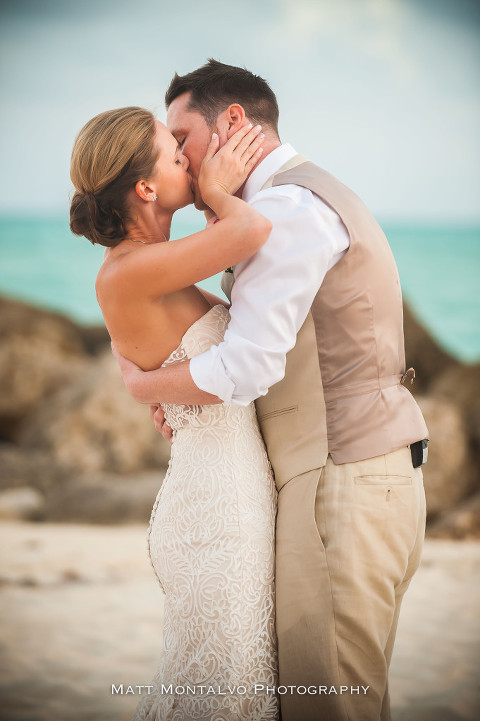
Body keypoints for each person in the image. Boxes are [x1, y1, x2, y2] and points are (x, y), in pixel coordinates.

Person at [115, 60, 429, 721]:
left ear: (232, 122)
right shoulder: (292, 197)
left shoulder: (283, 207)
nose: (181, 157)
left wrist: (149, 383)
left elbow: (245, 367)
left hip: (342, 479)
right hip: (351, 474)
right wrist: (176, 394)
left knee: (333, 700)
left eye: (183, 137)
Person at [69, 106, 280, 721]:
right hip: (216, 511)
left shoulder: (148, 267)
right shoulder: (130, 270)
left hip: (230, 495)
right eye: (174, 154)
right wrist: (218, 191)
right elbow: (253, 233)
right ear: (146, 188)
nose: (190, 158)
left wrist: (153, 388)